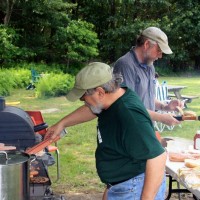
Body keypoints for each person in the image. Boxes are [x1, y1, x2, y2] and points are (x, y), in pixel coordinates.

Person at [45, 62, 167, 200]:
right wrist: (62, 124)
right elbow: (92, 109)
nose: (83, 101)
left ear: (100, 92)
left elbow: (158, 158)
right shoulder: (112, 99)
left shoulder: (128, 115)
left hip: (135, 189)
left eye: (84, 97)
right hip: (122, 185)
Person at [113, 26, 184, 127]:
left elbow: (147, 97)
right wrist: (161, 117)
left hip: (146, 128)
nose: (160, 56)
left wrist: (165, 107)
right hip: (130, 130)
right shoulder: (125, 65)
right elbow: (127, 105)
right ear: (146, 44)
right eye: (159, 50)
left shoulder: (150, 66)